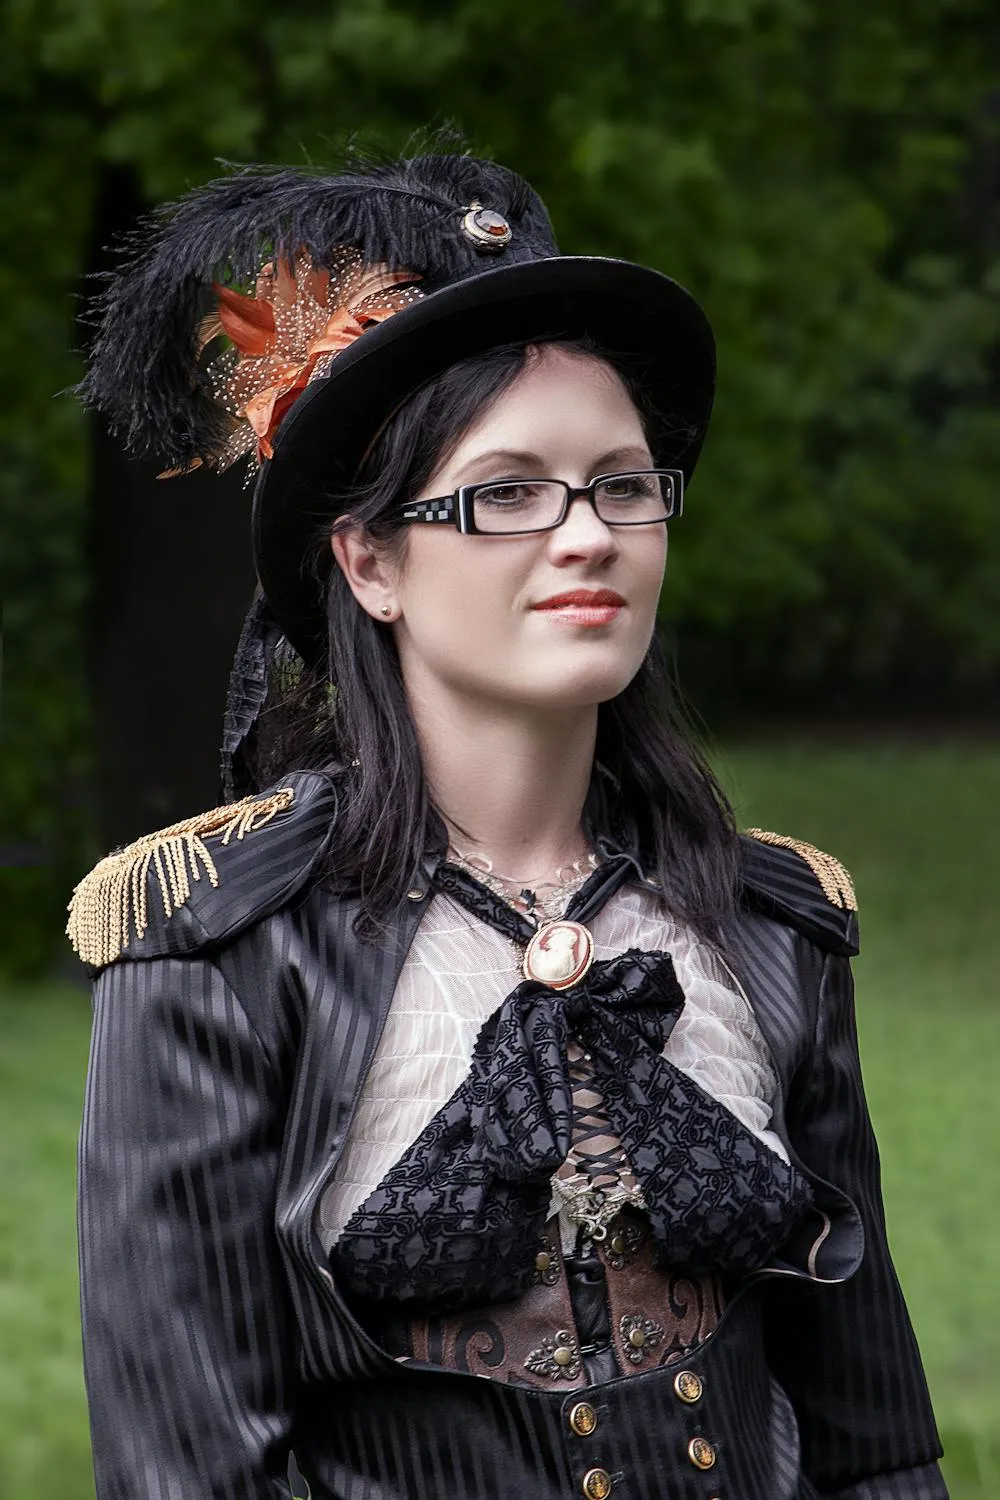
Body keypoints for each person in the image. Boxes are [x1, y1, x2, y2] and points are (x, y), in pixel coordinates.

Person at [70, 147, 947, 1500]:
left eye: (623, 482)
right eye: (510, 492)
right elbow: (191, 1469)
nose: (588, 534)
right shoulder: (218, 949)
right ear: (369, 560)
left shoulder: (768, 925)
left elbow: (876, 1446)